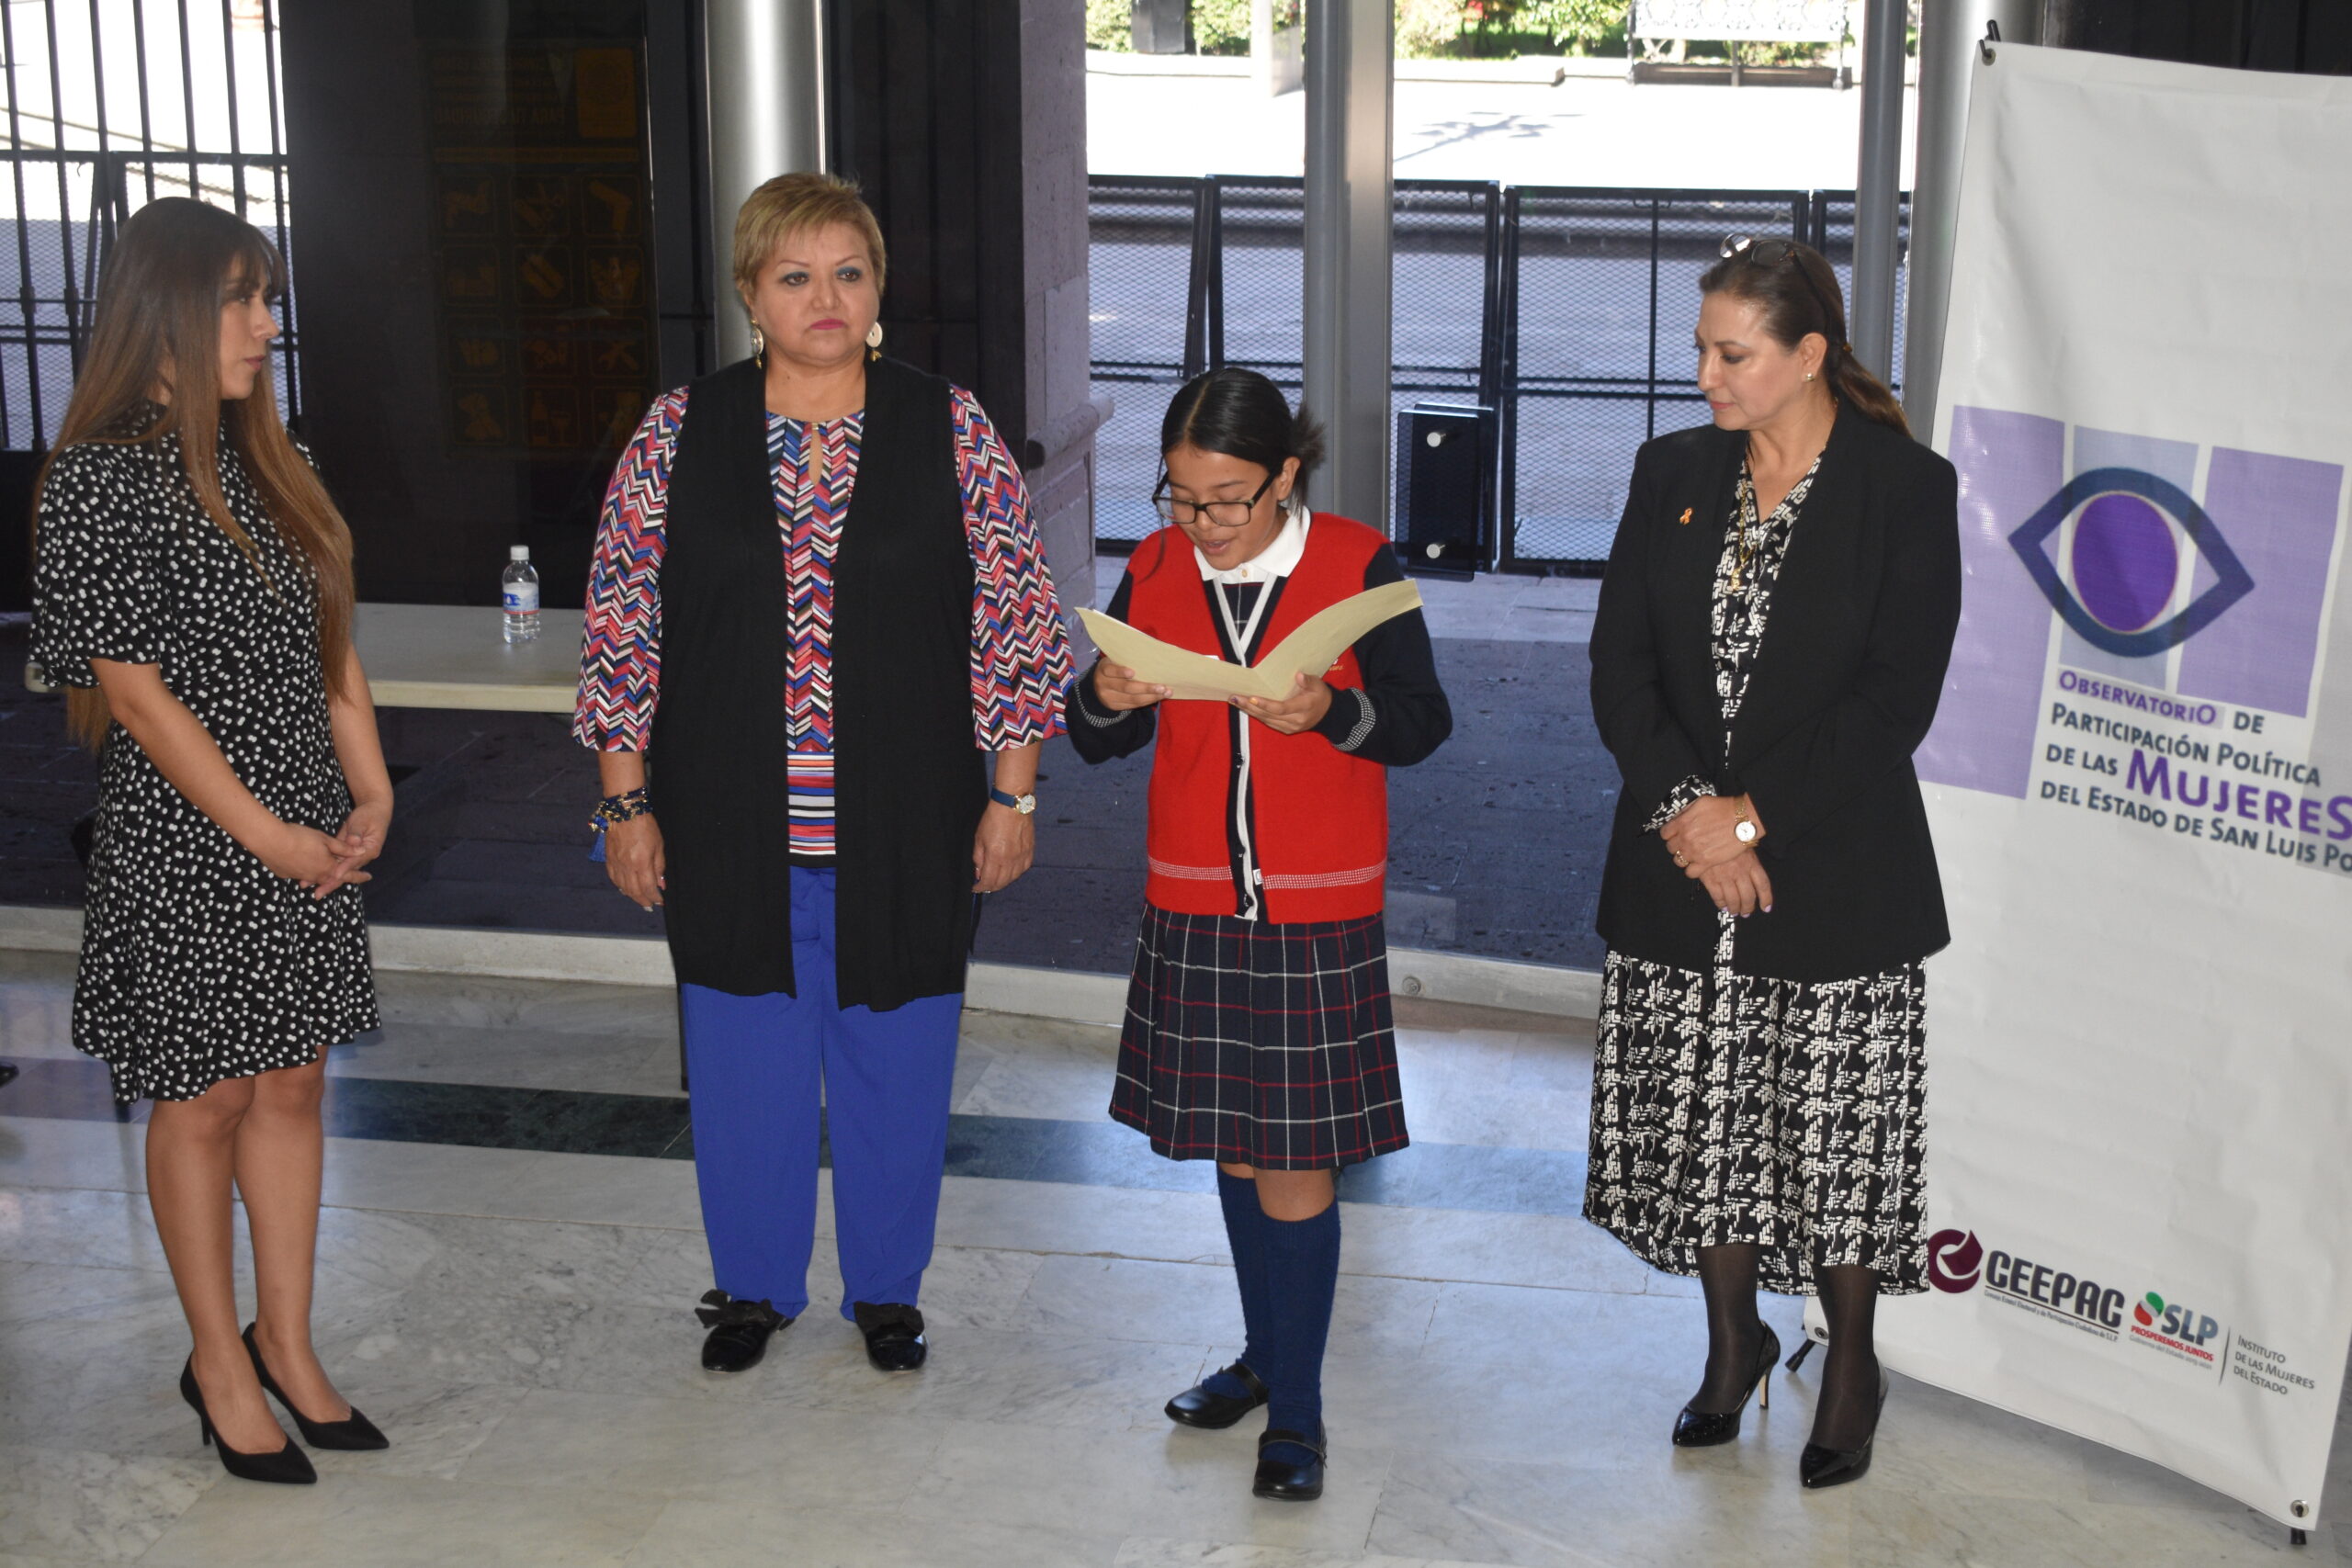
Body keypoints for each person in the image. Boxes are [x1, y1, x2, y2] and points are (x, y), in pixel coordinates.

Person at [575, 172, 1072, 1377]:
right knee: (743, 1060)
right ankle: (752, 1286)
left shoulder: (951, 428)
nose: (825, 298)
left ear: (878, 288)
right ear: (751, 295)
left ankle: (887, 1291)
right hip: (723, 821)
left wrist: (1012, 795)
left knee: (898, 1058)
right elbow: (623, 633)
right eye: (794, 276)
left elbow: (1014, 627)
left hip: (908, 820)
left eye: (848, 272)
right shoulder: (675, 433)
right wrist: (625, 802)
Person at [1583, 234, 1961, 1489]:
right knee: (1709, 1125)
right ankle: (1732, 1342)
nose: (1704, 375)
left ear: (1807, 355)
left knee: (1834, 1135)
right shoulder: (1672, 471)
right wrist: (1691, 813)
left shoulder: (1903, 488)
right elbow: (1620, 667)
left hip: (1834, 873)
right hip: (1678, 870)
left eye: (1729, 353)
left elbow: (1895, 697)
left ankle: (1851, 1367)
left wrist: (1750, 819)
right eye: (1701, 349)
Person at [29, 198, 394, 1484]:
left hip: (304, 821)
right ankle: (217, 1364)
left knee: (292, 1084)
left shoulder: (276, 461)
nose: (265, 323)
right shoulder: (96, 479)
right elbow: (136, 698)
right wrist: (268, 835)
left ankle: (284, 1343)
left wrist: (370, 791)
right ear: (168, 311)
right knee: (206, 1098)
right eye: (242, 298)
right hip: (190, 838)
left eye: (268, 297)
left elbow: (331, 644)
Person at [1069, 367, 1451, 1502]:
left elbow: (1421, 722)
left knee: (1292, 1161)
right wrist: (1107, 696)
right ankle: (1262, 1356)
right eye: (1182, 498)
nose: (1203, 523)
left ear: (1285, 475)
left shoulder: (1357, 564)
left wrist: (1330, 710)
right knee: (1235, 1149)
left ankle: (1299, 1412)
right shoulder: (1153, 566)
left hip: (1314, 906)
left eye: (1227, 499)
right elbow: (1093, 735)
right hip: (1192, 896)